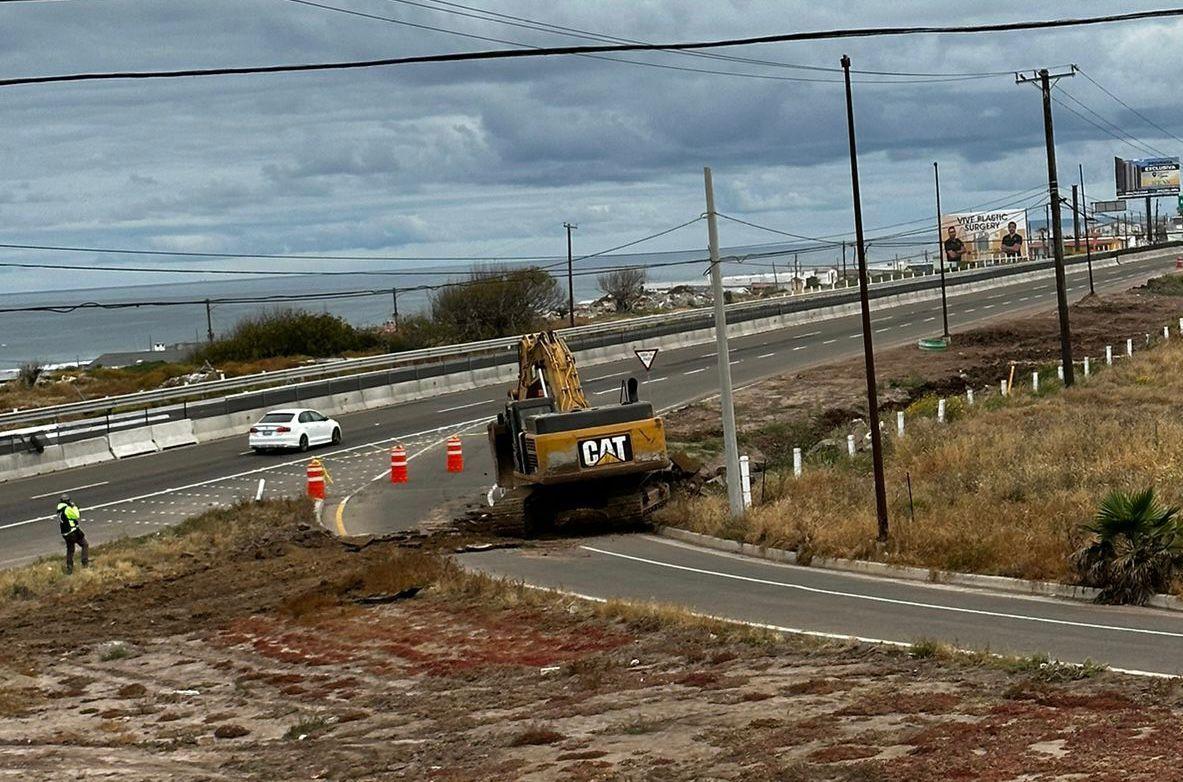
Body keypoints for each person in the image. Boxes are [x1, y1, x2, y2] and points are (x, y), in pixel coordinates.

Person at [56, 495, 89, 574]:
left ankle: (69, 567)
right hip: (73, 531)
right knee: (85, 544)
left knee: (70, 550)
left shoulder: (59, 509)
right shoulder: (67, 509)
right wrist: (74, 507)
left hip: (65, 533)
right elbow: (76, 515)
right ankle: (85, 563)